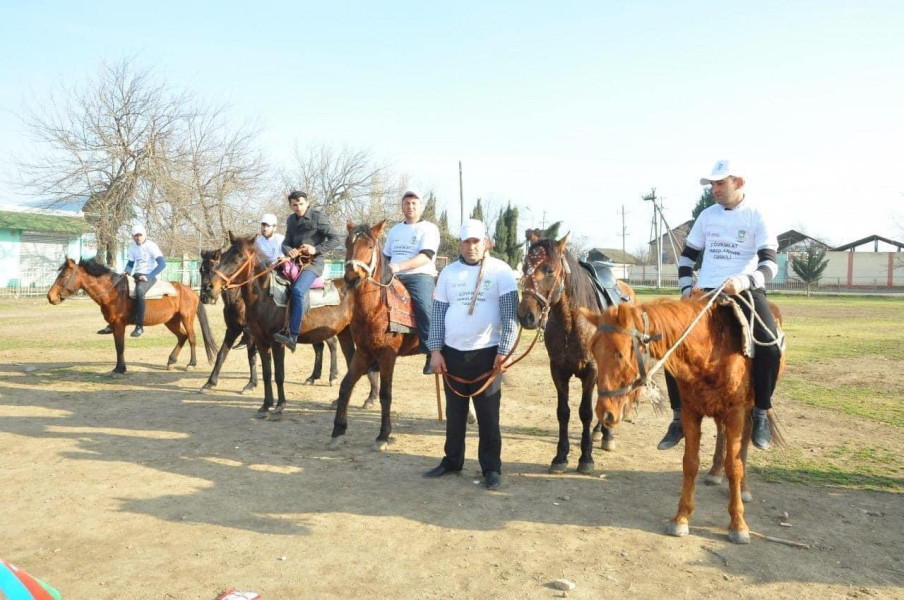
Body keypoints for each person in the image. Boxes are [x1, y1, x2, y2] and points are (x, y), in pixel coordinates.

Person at [658, 159, 781, 451]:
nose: (714, 188)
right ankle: (678, 417)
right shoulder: (706, 216)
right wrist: (687, 288)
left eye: (720, 183)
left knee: (770, 344)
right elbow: (687, 258)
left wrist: (743, 282)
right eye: (712, 184)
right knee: (671, 345)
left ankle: (761, 411)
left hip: (744, 289)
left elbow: (770, 264)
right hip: (704, 290)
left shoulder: (756, 215)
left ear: (739, 182)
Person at [423, 219, 519, 490]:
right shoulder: (448, 274)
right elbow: (439, 314)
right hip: (452, 354)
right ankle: (452, 460)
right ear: (461, 243)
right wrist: (435, 351)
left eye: (476, 241)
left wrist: (505, 352)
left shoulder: (502, 271)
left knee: (488, 416)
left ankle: (491, 468)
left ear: (485, 242)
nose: (471, 247)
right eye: (466, 241)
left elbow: (510, 315)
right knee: (455, 414)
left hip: (488, 355)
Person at [274, 190, 342, 352]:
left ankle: (293, 335)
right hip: (294, 263)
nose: (298, 208)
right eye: (294, 205)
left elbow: (336, 239)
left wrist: (315, 249)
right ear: (290, 205)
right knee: (269, 284)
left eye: (301, 204)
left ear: (307, 202)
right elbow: (285, 243)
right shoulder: (291, 220)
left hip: (313, 264)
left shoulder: (318, 217)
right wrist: (289, 251)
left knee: (297, 290)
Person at [383, 188, 441, 374]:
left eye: (414, 203)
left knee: (425, 306)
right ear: (402, 206)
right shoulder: (395, 230)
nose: (410, 206)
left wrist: (399, 267)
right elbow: (386, 256)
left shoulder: (429, 228)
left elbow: (426, 256)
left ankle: (431, 351)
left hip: (419, 275)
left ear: (421, 206)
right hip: (392, 275)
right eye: (407, 203)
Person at [123, 224, 166, 338]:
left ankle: (139, 326)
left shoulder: (151, 246)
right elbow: (131, 263)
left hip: (149, 276)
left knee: (139, 291)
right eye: (135, 236)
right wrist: (126, 271)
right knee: (119, 289)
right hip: (136, 275)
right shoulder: (132, 248)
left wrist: (148, 276)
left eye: (140, 235)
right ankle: (114, 321)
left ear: (144, 235)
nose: (138, 238)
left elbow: (162, 264)